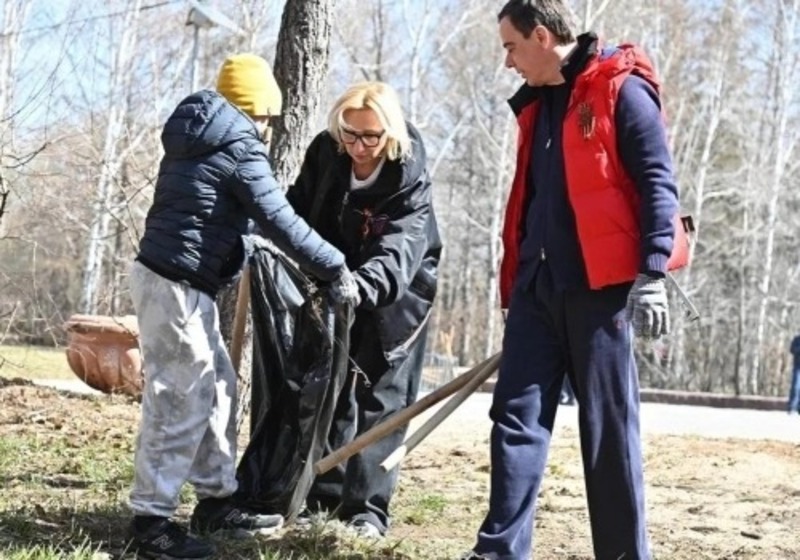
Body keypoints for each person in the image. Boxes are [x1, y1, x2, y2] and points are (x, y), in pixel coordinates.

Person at [461, 1, 683, 559]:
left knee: (608, 433)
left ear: (541, 35)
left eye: (511, 47)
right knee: (514, 421)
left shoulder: (620, 89)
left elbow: (658, 181)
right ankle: (499, 553)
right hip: (538, 289)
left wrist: (653, 271)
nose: (508, 61)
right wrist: (514, 284)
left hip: (601, 293)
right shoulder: (537, 105)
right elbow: (529, 202)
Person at [126, 53, 359, 560]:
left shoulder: (199, 135)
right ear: (258, 108)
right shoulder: (237, 144)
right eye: (269, 118)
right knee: (179, 401)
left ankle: (217, 499)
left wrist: (244, 242)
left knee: (218, 389)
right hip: (175, 287)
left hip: (176, 282)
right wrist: (335, 267)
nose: (270, 128)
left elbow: (212, 208)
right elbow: (279, 218)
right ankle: (151, 525)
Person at [283, 81, 442, 538]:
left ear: (389, 134)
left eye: (370, 137)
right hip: (335, 284)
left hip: (398, 292)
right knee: (329, 385)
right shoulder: (327, 152)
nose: (359, 147)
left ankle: (367, 511)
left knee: (383, 397)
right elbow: (298, 210)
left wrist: (363, 284)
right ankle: (324, 497)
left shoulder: (408, 168)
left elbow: (400, 248)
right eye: (350, 134)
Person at [788, 335, 800, 415]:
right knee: (796, 387)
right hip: (797, 366)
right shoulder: (796, 339)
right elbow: (792, 350)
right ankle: (792, 407)